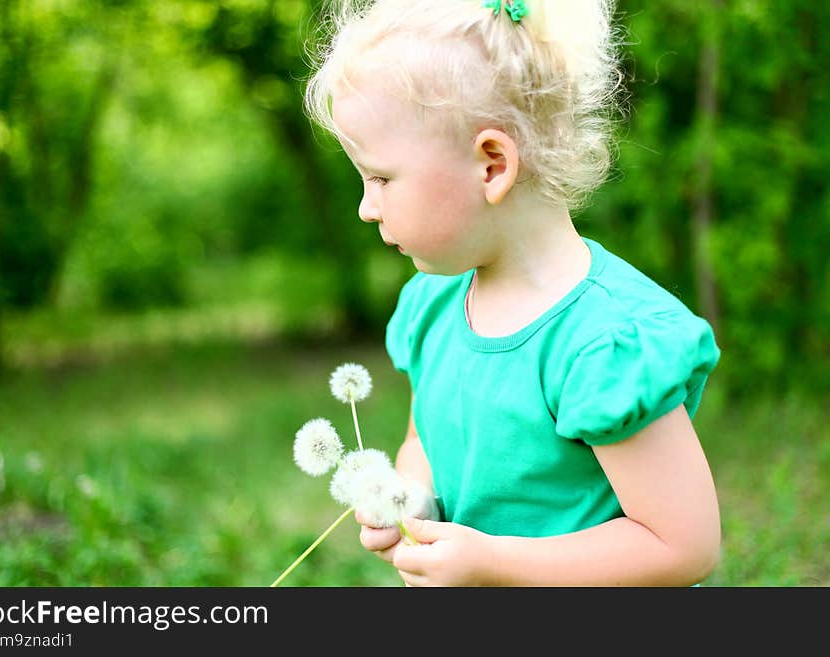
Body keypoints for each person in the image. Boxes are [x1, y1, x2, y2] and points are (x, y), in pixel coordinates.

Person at [303, 0, 722, 586]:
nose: (366, 209)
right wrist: (414, 498)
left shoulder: (603, 344)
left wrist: (493, 565)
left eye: (380, 178)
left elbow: (683, 545)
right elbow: (425, 440)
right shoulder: (436, 305)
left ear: (491, 165)